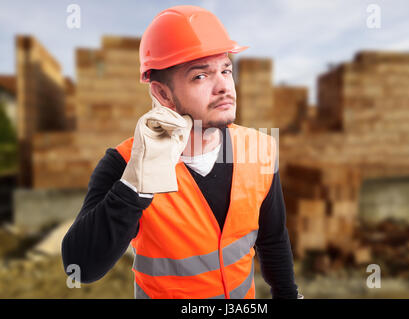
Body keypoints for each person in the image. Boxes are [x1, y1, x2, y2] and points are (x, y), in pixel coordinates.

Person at [62, 5, 301, 299]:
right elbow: (79, 267)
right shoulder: (125, 164)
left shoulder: (260, 148)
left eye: (226, 70)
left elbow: (273, 238)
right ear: (162, 94)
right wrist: (136, 183)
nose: (224, 87)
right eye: (200, 77)